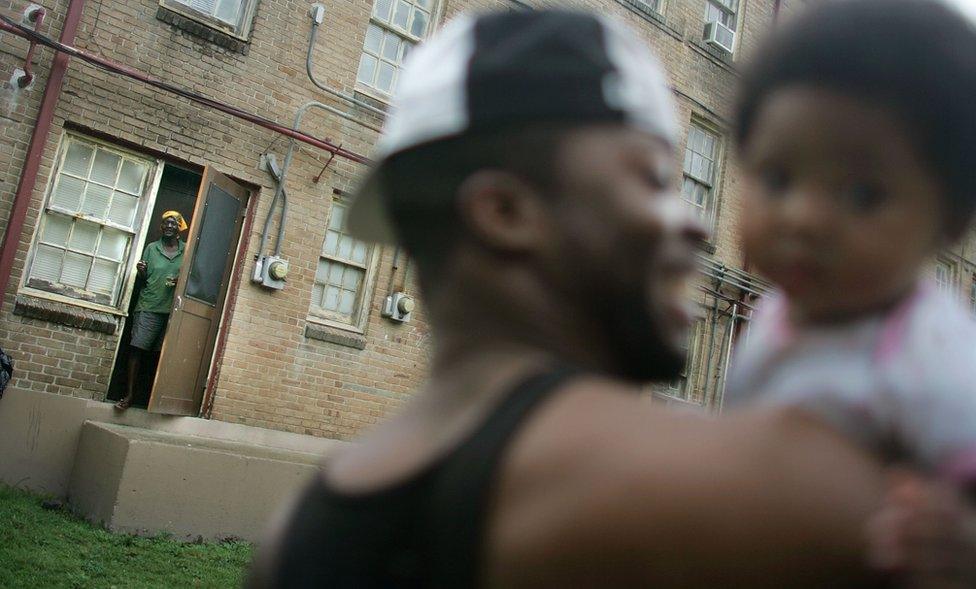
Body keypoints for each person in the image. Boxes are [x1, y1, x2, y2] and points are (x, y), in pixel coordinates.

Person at [250, 10, 922, 587]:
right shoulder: (693, 485)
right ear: (506, 211)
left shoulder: (297, 530)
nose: (694, 223)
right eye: (656, 178)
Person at [725, 1, 976, 583]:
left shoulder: (934, 348)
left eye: (863, 194)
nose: (804, 218)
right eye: (777, 178)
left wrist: (962, 540)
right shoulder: (771, 316)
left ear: (952, 219)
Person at [115, 210, 187, 410]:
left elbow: (191, 279)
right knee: (138, 350)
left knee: (162, 355)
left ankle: (153, 399)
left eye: (174, 223)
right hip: (149, 306)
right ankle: (129, 396)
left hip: (173, 310)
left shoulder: (186, 251)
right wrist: (142, 272)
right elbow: (145, 279)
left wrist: (179, 281)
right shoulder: (151, 248)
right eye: (166, 223)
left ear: (179, 228)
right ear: (161, 227)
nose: (169, 226)